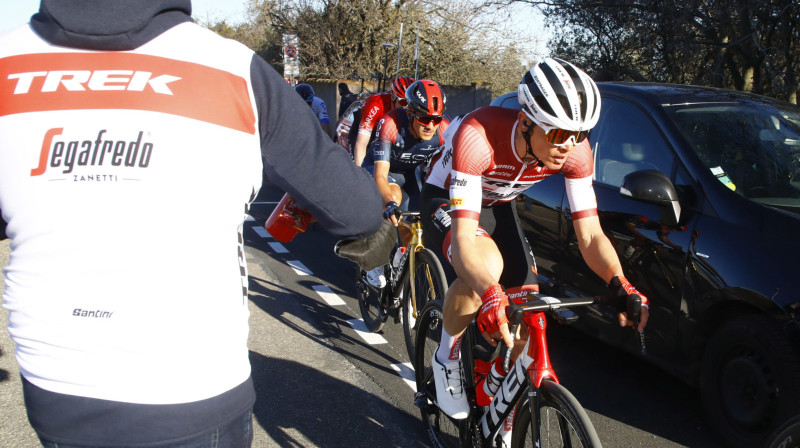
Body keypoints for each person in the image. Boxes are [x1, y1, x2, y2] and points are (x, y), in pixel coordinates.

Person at [0, 1, 393, 447]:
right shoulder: (230, 67)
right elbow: (356, 209)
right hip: (190, 385)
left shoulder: (8, 61)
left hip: (57, 384)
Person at [420, 58, 650, 432]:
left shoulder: (574, 151)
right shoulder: (479, 136)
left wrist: (620, 283)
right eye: (559, 134)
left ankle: (501, 395)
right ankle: (446, 355)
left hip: (498, 203)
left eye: (578, 134)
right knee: (486, 272)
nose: (568, 146)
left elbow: (590, 235)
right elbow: (464, 241)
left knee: (529, 305)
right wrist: (491, 293)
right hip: (446, 199)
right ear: (526, 121)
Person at [362, 80, 450, 287]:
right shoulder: (391, 123)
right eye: (423, 118)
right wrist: (389, 204)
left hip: (409, 173)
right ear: (410, 113)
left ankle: (401, 258)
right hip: (379, 169)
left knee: (414, 220)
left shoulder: (445, 130)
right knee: (394, 199)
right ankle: (374, 261)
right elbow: (381, 175)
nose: (430, 125)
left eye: (435, 119)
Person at [352, 76, 415, 166]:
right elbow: (361, 144)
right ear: (393, 97)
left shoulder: (411, 111)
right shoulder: (376, 105)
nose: (407, 107)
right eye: (403, 102)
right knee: (359, 163)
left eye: (411, 103)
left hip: (384, 134)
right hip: (365, 129)